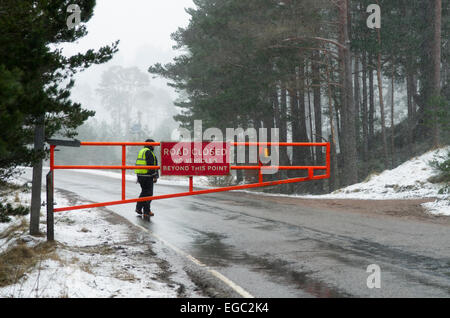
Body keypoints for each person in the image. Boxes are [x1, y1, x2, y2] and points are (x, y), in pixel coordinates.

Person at [135, 139, 159, 219]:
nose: (155, 146)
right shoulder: (149, 152)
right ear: (150, 145)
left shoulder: (142, 151)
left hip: (141, 175)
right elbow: (151, 166)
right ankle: (145, 210)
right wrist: (155, 176)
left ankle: (142, 210)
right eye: (154, 144)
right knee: (148, 194)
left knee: (145, 192)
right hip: (147, 176)